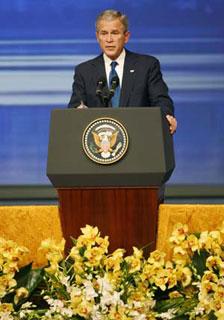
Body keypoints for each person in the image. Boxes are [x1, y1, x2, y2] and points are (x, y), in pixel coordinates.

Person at [68, 9, 177, 134]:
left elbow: (161, 100)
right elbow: (75, 106)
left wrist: (166, 116)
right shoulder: (84, 71)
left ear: (126, 37)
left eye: (114, 33)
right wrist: (78, 111)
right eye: (104, 33)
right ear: (97, 37)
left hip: (140, 137)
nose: (109, 39)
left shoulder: (146, 65)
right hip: (100, 143)